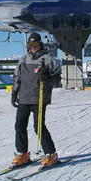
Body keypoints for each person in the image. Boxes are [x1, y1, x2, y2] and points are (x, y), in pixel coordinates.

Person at [10, 32, 62, 167]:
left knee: (38, 127)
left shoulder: (46, 59)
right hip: (24, 98)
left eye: (35, 44)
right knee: (19, 125)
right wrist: (14, 92)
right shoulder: (23, 60)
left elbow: (57, 78)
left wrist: (48, 78)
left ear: (40, 44)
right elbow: (17, 77)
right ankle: (23, 153)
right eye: (30, 45)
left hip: (39, 98)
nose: (33, 47)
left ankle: (51, 154)